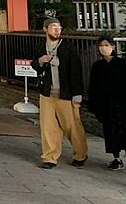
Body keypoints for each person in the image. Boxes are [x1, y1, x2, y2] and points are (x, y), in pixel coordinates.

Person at [31, 17, 88, 169]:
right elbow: (35, 66)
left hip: (66, 94)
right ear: (45, 30)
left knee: (72, 127)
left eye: (59, 28)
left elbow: (76, 70)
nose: (57, 30)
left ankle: (80, 154)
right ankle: (49, 157)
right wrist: (41, 61)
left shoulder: (68, 47)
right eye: (53, 27)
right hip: (47, 94)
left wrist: (77, 94)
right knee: (48, 127)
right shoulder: (40, 47)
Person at [88, 35, 126, 170]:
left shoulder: (122, 64)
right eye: (101, 45)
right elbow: (93, 86)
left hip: (121, 104)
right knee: (110, 133)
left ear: (113, 47)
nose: (103, 48)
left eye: (106, 45)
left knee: (124, 131)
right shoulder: (97, 66)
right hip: (105, 105)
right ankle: (116, 158)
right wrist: (93, 105)